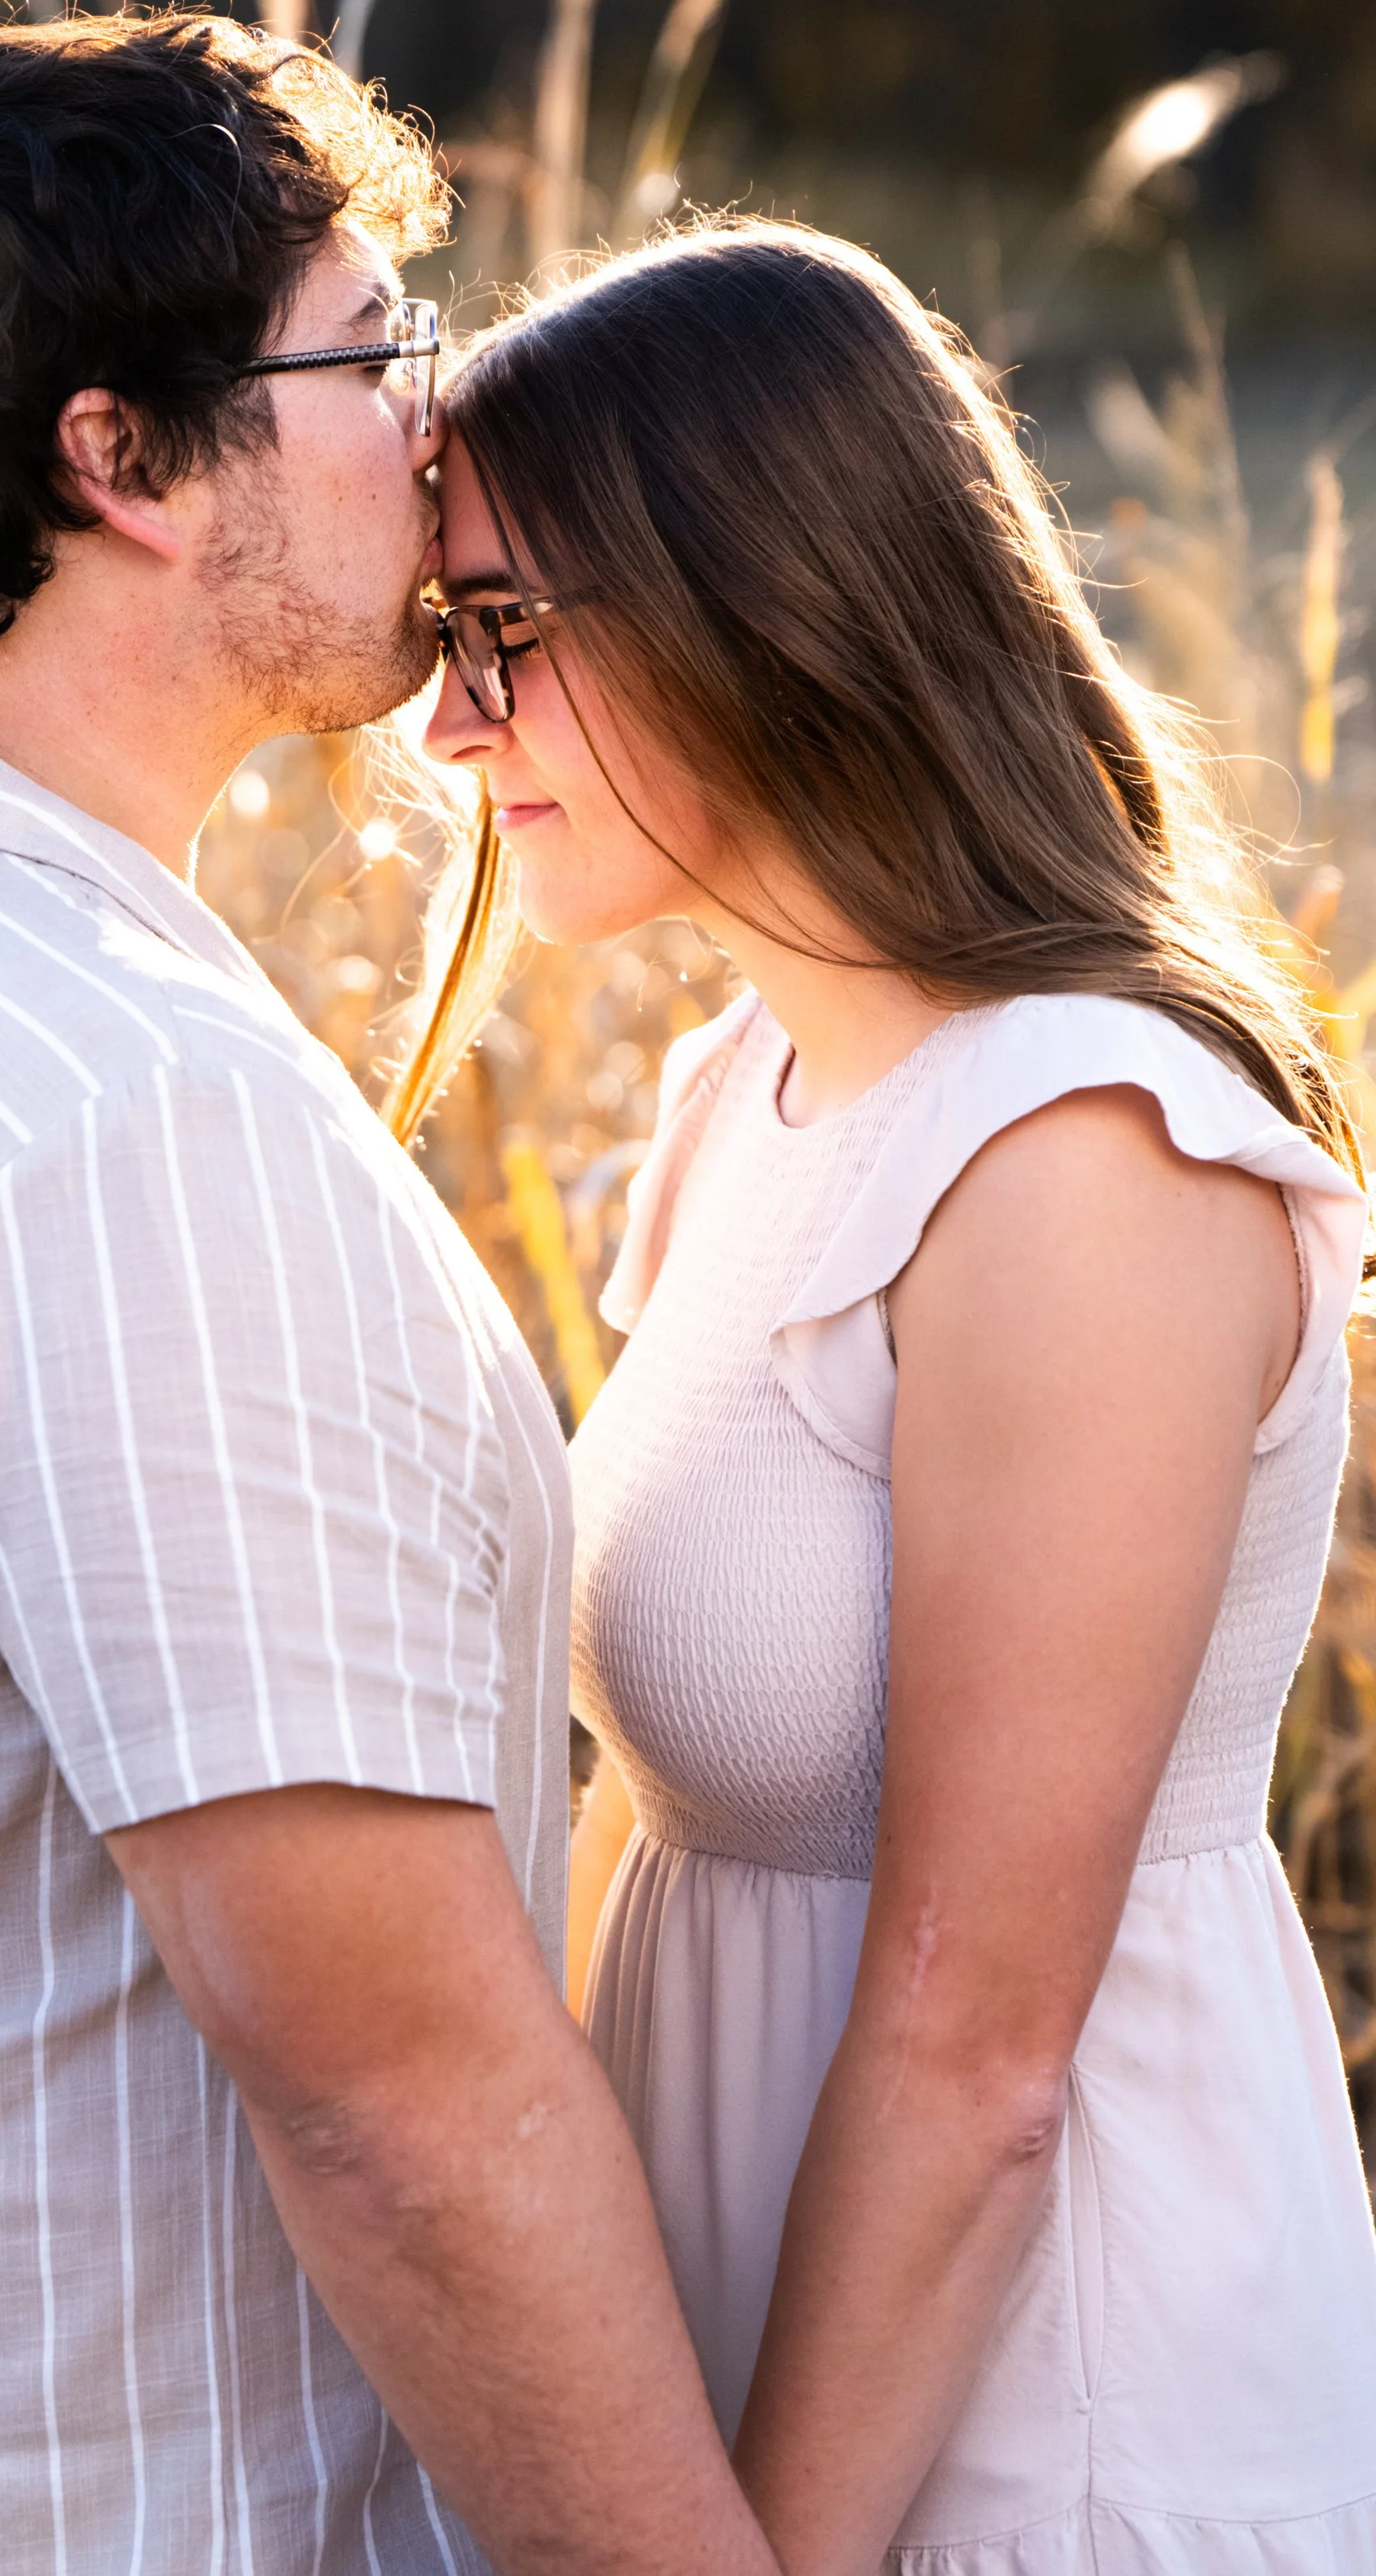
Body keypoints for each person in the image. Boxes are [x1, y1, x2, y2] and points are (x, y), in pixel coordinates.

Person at [0, 18, 774, 2576]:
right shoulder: (119, 1120)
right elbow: (404, 2099)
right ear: (119, 458)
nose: (440, 443)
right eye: (373, 359)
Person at [413, 218, 1376, 2575]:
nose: (448, 726)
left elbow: (978, 2055)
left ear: (761, 601)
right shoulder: (747, 1086)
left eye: (503, 634)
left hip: (1038, 2422)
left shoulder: (1083, 1156)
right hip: (767, 2404)